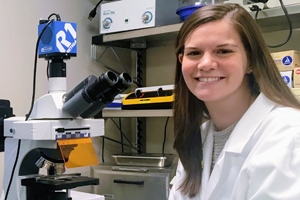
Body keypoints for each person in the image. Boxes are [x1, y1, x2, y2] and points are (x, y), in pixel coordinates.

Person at [169, 3, 300, 200]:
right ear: (182, 61)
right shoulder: (200, 136)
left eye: (223, 51)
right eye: (194, 53)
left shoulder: (288, 134)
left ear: (251, 61)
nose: (205, 64)